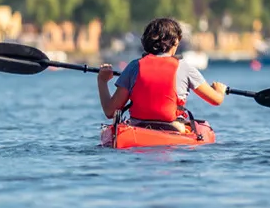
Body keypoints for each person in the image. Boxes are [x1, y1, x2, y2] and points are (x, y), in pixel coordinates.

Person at [97, 17, 227, 130]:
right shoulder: (185, 68)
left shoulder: (133, 67)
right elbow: (216, 100)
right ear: (175, 42)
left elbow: (110, 111)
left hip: (137, 128)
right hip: (173, 128)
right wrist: (219, 90)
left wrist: (102, 81)